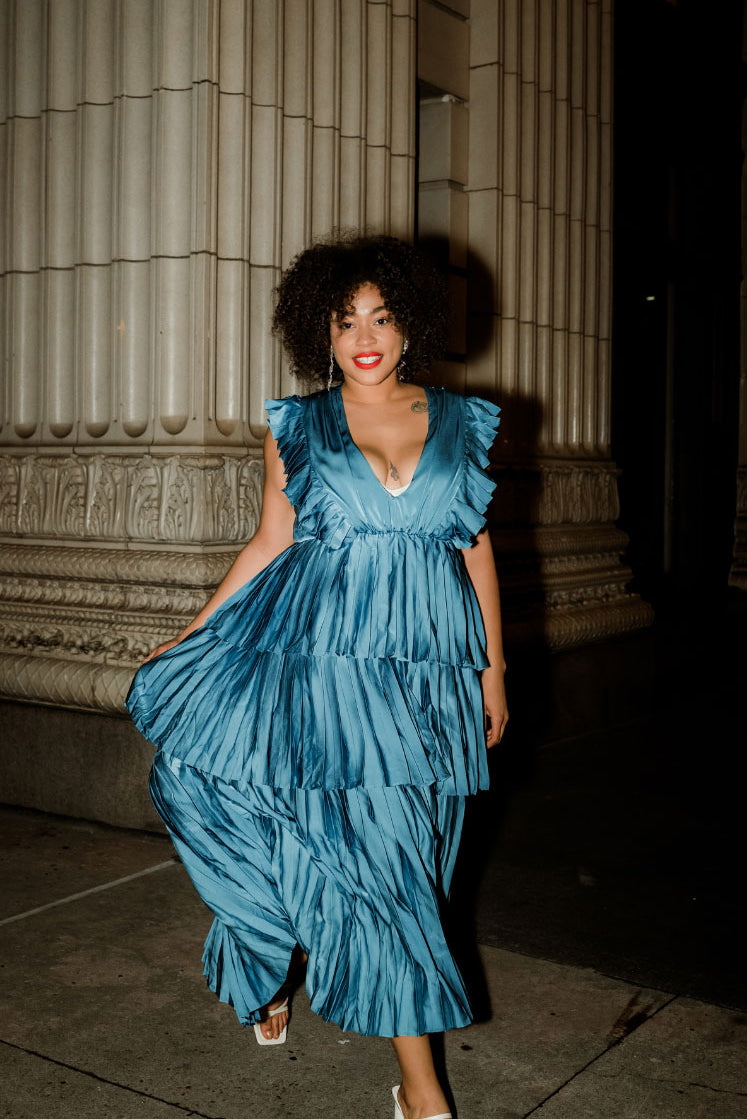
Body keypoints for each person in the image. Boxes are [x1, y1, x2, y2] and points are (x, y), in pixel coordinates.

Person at [126, 234, 508, 1119]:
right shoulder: (296, 425)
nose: (363, 336)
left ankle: (274, 961)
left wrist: (493, 671)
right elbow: (271, 542)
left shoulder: (464, 420)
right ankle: (421, 1088)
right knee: (383, 870)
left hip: (423, 677)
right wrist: (190, 633)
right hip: (319, 665)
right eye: (344, 321)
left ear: (410, 323)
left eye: (380, 316)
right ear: (320, 333)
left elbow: (476, 549)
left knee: (413, 860)